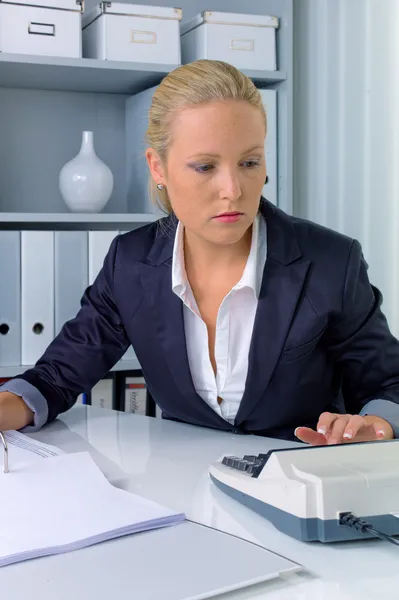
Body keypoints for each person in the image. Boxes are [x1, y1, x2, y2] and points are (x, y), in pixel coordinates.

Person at [1, 59, 399, 446]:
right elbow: (56, 377)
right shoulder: (130, 262)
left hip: (301, 489)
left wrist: (375, 424)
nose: (233, 189)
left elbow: (390, 384)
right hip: (183, 489)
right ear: (158, 168)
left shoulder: (331, 260)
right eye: (205, 167)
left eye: (249, 162)